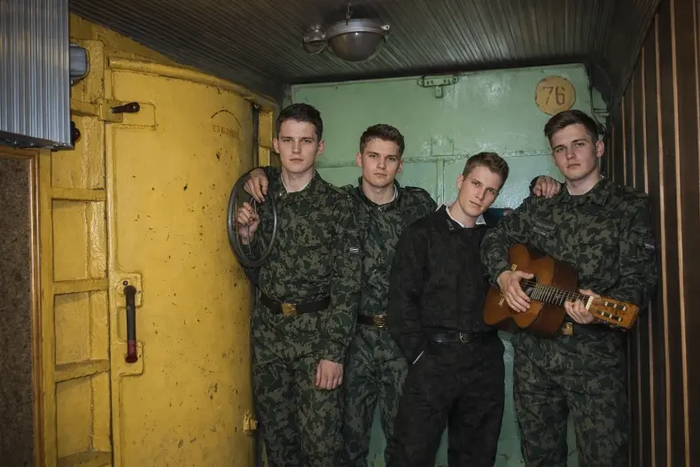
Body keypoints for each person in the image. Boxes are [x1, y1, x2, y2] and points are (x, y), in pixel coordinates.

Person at [244, 126, 561, 467]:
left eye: (390, 158)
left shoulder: (418, 205)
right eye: (373, 156)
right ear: (359, 159)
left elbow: (486, 224)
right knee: (346, 438)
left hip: (404, 345)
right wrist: (260, 173)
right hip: (355, 337)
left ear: (401, 164)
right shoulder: (341, 203)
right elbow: (298, 177)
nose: (381, 166)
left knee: (407, 439)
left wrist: (540, 187)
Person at [481, 109, 659, 467]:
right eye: (561, 148)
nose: (570, 155)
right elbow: (494, 239)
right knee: (540, 457)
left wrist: (605, 307)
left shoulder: (627, 206)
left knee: (604, 458)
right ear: (553, 155)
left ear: (599, 147)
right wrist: (503, 275)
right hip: (533, 357)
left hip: (594, 357)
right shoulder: (541, 205)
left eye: (579, 144)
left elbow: (641, 276)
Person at [234, 103, 361, 467]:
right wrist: (248, 236)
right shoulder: (262, 196)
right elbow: (255, 269)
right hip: (270, 336)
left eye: (305, 141)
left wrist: (333, 353)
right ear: (275, 144)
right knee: (278, 442)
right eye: (287, 140)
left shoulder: (337, 205)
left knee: (321, 445)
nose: (295, 149)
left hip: (316, 338)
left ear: (320, 147)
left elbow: (348, 285)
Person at [385, 152, 511, 467]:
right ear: (460, 180)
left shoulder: (496, 237)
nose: (480, 195)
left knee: (476, 458)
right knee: (410, 455)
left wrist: (542, 185)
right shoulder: (421, 233)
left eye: (491, 190)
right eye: (476, 184)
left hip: (484, 362)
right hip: (433, 360)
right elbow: (401, 302)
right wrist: (419, 357)